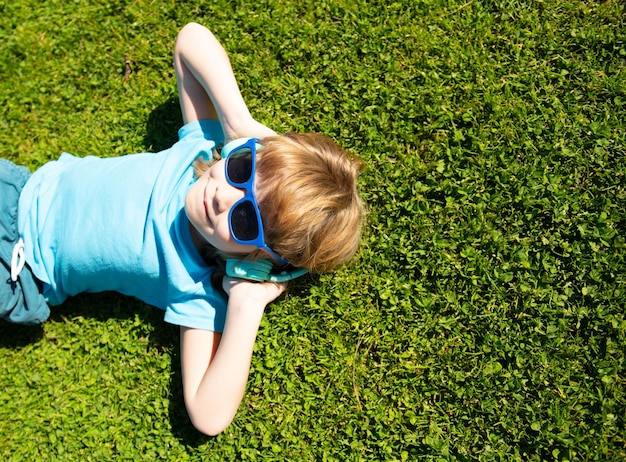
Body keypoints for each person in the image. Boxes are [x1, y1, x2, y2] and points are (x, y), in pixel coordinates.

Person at [0, 22, 364, 436]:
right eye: (242, 169)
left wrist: (246, 304)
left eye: (245, 220)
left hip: (19, 270)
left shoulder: (196, 289)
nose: (224, 196)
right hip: (17, 188)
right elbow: (190, 39)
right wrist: (237, 122)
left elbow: (208, 416)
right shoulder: (201, 148)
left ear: (258, 261)